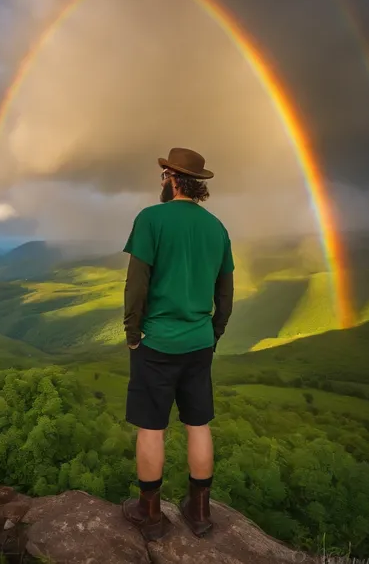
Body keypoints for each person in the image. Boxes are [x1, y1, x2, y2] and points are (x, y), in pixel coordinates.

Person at [121, 147, 234, 541]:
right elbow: (225, 294)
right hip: (198, 343)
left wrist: (133, 333)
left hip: (157, 343)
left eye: (163, 176)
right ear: (197, 184)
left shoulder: (150, 219)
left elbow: (136, 285)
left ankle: (150, 515)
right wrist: (213, 334)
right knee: (198, 424)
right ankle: (199, 512)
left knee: (152, 429)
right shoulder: (217, 227)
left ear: (170, 177)